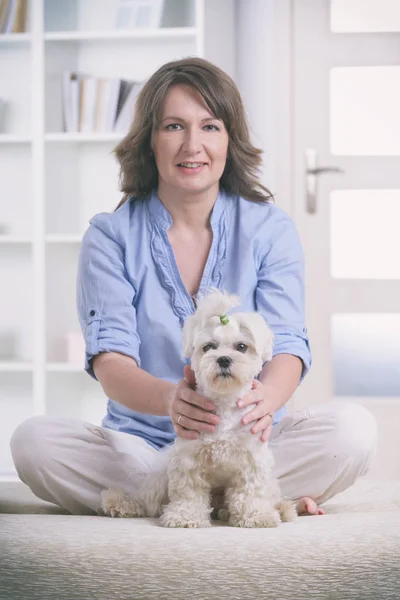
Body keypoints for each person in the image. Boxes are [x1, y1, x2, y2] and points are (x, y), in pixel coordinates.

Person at [10, 57, 377, 518]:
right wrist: (170, 400)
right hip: (145, 449)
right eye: (173, 126)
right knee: (34, 443)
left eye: (209, 126)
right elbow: (110, 361)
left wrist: (267, 399)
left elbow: (286, 346)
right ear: (149, 139)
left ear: (229, 139)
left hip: (250, 439)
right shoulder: (110, 236)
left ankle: (234, 490)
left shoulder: (271, 229)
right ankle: (245, 498)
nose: (192, 145)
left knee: (353, 432)